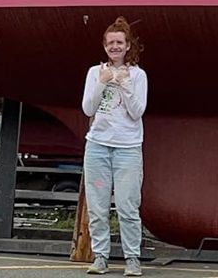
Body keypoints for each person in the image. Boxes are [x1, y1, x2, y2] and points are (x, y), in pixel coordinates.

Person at [81, 16, 148, 276]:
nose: (115, 47)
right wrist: (103, 81)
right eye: (111, 43)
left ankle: (133, 258)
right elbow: (88, 108)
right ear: (105, 46)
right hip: (97, 145)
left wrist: (125, 85)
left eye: (120, 42)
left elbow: (137, 112)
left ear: (128, 45)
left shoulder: (138, 75)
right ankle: (100, 257)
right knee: (97, 206)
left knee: (127, 205)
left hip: (128, 147)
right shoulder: (94, 72)